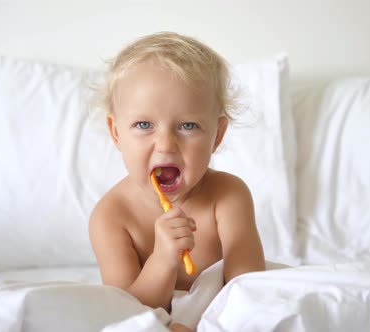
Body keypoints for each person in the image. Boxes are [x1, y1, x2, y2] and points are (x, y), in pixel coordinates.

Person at [89, 31, 265, 321]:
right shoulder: (111, 217)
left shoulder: (229, 196)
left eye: (188, 126)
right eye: (144, 124)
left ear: (217, 136)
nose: (166, 145)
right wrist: (163, 259)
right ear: (116, 133)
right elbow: (126, 313)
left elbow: (250, 292)